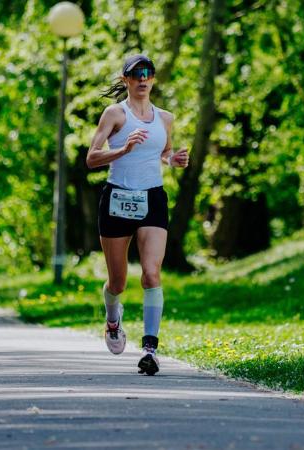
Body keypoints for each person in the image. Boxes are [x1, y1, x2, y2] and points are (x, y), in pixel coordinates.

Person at [86, 54, 189, 375]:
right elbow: (92, 158)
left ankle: (150, 349)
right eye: (136, 74)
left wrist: (174, 160)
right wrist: (124, 150)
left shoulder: (165, 118)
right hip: (118, 197)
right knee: (117, 281)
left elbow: (164, 153)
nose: (143, 79)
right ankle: (113, 320)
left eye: (148, 74)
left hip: (153, 200)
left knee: (151, 273)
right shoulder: (115, 114)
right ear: (126, 79)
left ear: (153, 80)